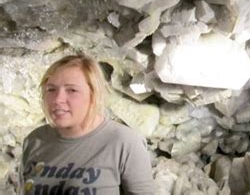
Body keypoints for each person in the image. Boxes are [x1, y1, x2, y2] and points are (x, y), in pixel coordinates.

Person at [20, 54, 156, 194]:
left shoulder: (124, 142)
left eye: (72, 90)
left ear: (93, 94)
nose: (58, 99)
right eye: (51, 89)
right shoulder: (34, 140)